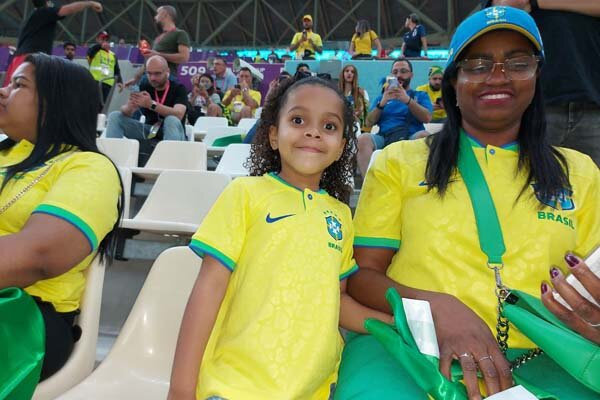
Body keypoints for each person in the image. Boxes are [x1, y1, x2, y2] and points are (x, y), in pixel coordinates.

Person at [336, 7, 600, 400]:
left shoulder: (579, 172)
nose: (498, 76)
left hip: (548, 359)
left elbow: (592, 286)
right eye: (477, 65)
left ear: (537, 77)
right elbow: (361, 276)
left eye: (518, 63)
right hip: (413, 350)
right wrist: (436, 308)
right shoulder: (400, 162)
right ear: (453, 83)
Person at [167, 77, 393, 400]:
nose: (313, 132)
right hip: (236, 388)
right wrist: (181, 388)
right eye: (298, 120)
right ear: (274, 135)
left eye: (329, 126)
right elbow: (208, 289)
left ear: (342, 147)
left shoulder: (341, 215)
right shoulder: (245, 194)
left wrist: (390, 323)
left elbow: (337, 300)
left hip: (315, 391)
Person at [0, 54, 122, 383]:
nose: (3, 91)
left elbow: (38, 255)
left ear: (55, 102)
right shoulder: (6, 154)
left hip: (24, 316)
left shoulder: (88, 167)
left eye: (18, 85)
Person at [481, 1, 600, 167]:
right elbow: (505, 5)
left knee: (592, 180)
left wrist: (537, 2)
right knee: (526, 178)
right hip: (532, 103)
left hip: (591, 100)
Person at [357, 58, 432, 176]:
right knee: (362, 139)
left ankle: (422, 182)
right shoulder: (381, 98)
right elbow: (369, 122)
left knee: (425, 136)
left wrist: (407, 100)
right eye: (395, 72)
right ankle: (369, 183)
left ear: (411, 75)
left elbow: (427, 118)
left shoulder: (420, 95)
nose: (399, 75)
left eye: (403, 71)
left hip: (411, 136)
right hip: (385, 137)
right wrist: (382, 103)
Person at [105, 55, 188, 161]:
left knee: (171, 120)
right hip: (150, 131)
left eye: (157, 73)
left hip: (173, 133)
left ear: (167, 71)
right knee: (115, 116)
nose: (152, 78)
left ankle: (169, 162)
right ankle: (112, 161)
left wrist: (151, 105)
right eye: (149, 73)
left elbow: (179, 114)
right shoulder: (145, 85)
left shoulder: (178, 88)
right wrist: (130, 106)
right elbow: (126, 112)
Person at [3, 0, 103, 86]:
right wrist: (90, 3)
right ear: (47, 2)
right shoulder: (44, 11)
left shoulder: (31, 19)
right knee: (30, 93)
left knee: (10, 93)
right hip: (31, 60)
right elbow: (68, 9)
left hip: (19, 60)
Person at [123, 5, 190, 88]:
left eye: (158, 13)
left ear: (165, 14)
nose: (155, 17)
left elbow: (184, 57)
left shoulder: (180, 34)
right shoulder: (158, 38)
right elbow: (149, 61)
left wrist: (157, 54)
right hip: (149, 81)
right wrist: (136, 78)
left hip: (164, 81)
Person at [87, 31, 121, 106]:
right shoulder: (94, 50)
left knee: (103, 106)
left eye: (106, 39)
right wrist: (100, 46)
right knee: (92, 104)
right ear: (97, 39)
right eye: (102, 39)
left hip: (108, 84)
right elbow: (90, 53)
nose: (105, 41)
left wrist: (120, 82)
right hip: (95, 82)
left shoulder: (113, 55)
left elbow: (116, 70)